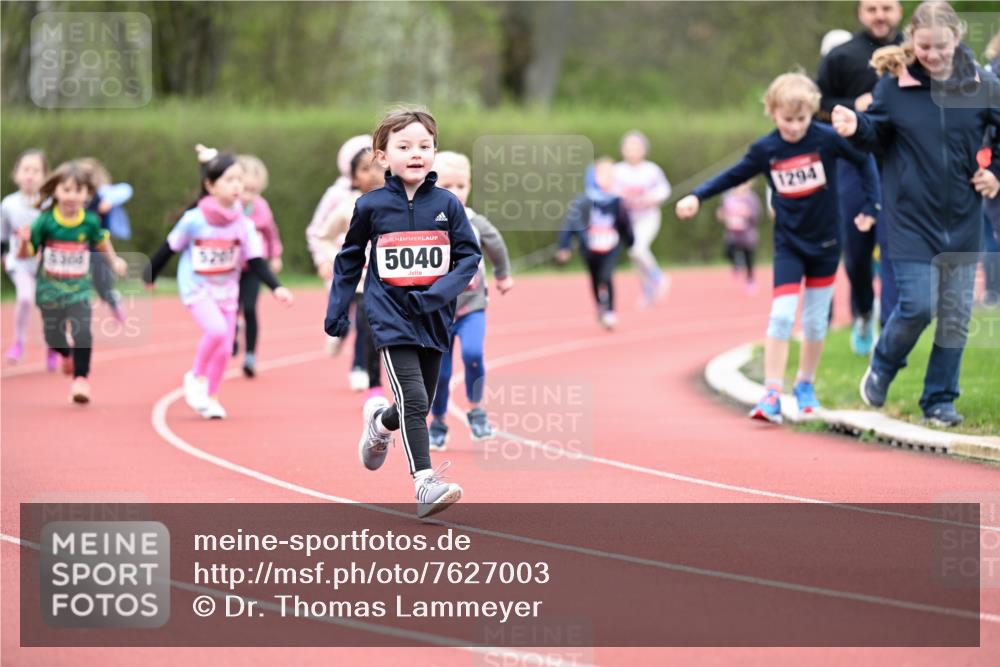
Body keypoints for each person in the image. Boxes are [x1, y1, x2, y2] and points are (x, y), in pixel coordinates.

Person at [832, 1, 1000, 426]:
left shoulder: (982, 84)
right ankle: (884, 363)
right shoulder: (894, 87)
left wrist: (995, 172)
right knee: (919, 305)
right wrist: (856, 127)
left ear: (957, 38)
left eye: (941, 46)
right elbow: (875, 133)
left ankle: (939, 399)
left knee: (956, 317)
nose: (933, 55)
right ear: (911, 40)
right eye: (924, 47)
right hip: (909, 218)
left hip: (962, 218)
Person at [677, 72, 880, 423]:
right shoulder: (766, 149)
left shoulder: (827, 139)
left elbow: (864, 161)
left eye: (802, 119)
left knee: (815, 322)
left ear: (811, 113)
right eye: (788, 119)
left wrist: (871, 206)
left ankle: (805, 385)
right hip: (790, 244)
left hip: (826, 244)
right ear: (772, 112)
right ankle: (771, 393)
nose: (795, 127)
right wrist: (697, 196)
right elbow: (733, 175)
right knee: (782, 316)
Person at [324, 107, 481, 519]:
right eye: (405, 146)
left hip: (434, 315)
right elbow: (349, 259)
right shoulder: (370, 206)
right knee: (414, 396)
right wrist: (338, 310)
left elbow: (468, 257)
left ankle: (380, 424)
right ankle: (425, 484)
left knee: (418, 403)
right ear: (382, 155)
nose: (416, 154)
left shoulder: (448, 204)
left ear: (434, 152)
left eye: (425, 146)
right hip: (389, 315)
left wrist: (436, 294)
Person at [145, 145, 293, 419]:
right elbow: (169, 247)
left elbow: (256, 260)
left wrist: (277, 287)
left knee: (225, 349)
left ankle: (211, 397)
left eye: (239, 180)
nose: (237, 186)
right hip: (197, 289)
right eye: (229, 180)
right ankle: (195, 376)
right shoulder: (194, 220)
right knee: (216, 331)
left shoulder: (243, 224)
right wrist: (150, 273)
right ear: (210, 186)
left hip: (227, 291)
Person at [817, 0, 905, 355]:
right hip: (854, 165)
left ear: (899, 10)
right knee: (855, 251)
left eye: (886, 7)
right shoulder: (841, 57)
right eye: (872, 8)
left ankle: (891, 335)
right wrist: (855, 104)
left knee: (895, 249)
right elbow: (817, 105)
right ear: (860, 13)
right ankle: (864, 311)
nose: (880, 15)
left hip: (900, 164)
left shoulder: (916, 53)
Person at [18, 161, 129, 403]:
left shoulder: (89, 221)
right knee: (52, 337)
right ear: (56, 191)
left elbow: (101, 241)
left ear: (87, 194)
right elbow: (26, 254)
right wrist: (24, 241)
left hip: (79, 289)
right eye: (66, 190)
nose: (71, 196)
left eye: (78, 191)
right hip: (49, 290)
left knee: (83, 333)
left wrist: (114, 261)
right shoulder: (46, 221)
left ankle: (81, 380)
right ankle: (66, 353)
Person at [429, 151, 514, 450]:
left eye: (461, 186)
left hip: (472, 307)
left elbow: (496, 243)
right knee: (440, 373)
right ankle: (438, 421)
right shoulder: (423, 221)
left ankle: (476, 411)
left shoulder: (474, 221)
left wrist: (503, 274)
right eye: (447, 186)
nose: (455, 192)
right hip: (436, 312)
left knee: (473, 354)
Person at [319, 147, 386, 397]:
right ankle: (369, 378)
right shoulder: (347, 207)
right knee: (357, 324)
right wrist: (335, 260)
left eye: (378, 167)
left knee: (370, 327)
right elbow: (324, 236)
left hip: (385, 281)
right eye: (365, 169)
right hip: (356, 280)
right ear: (354, 178)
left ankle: (367, 374)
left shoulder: (397, 204)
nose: (373, 174)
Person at [308, 134, 373, 374]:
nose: (372, 173)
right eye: (364, 167)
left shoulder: (388, 196)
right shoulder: (336, 196)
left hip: (371, 273)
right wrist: (323, 259)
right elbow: (317, 230)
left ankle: (359, 367)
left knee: (366, 319)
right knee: (343, 316)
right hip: (343, 267)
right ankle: (339, 333)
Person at [557, 158, 634, 330]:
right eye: (603, 174)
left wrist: (631, 242)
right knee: (595, 278)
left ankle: (610, 311)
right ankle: (600, 305)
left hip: (611, 246)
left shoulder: (617, 200)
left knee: (607, 276)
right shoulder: (583, 200)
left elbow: (625, 223)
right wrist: (564, 247)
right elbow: (570, 223)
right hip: (589, 248)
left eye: (610, 174)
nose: (608, 178)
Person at [232, 154, 284, 378]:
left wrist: (275, 256)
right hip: (230, 268)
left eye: (254, 190)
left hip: (254, 267)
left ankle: (250, 355)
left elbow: (271, 233)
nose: (249, 195)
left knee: (250, 308)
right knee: (231, 308)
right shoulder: (228, 207)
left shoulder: (261, 207)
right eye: (246, 189)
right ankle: (231, 334)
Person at [1, 149, 49, 366]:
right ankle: (18, 343)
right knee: (25, 298)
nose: (30, 175)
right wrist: (4, 256)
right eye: (26, 170)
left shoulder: (50, 204)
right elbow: (2, 236)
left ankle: (53, 344)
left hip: (46, 265)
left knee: (49, 305)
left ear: (45, 176)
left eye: (36, 171)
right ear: (16, 174)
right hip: (19, 262)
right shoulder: (8, 204)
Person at [613, 131, 670, 307]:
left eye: (636, 147)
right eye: (628, 147)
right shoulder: (618, 171)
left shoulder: (651, 170)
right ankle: (647, 290)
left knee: (637, 250)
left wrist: (652, 198)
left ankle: (659, 278)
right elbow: (609, 191)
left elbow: (664, 190)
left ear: (644, 149)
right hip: (627, 221)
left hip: (647, 218)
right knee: (635, 257)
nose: (632, 151)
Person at [78, 157, 132, 324]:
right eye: (82, 174)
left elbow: (126, 189)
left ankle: (114, 302)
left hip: (98, 249)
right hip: (75, 251)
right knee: (76, 288)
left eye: (89, 174)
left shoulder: (103, 195)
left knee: (103, 289)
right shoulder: (70, 196)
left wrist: (110, 200)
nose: (85, 178)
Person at [716, 180, 762, 293]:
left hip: (748, 235)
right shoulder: (727, 196)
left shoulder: (752, 198)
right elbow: (720, 212)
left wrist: (747, 215)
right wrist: (724, 216)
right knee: (728, 251)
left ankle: (750, 281)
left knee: (749, 259)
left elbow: (757, 215)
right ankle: (736, 264)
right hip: (732, 234)